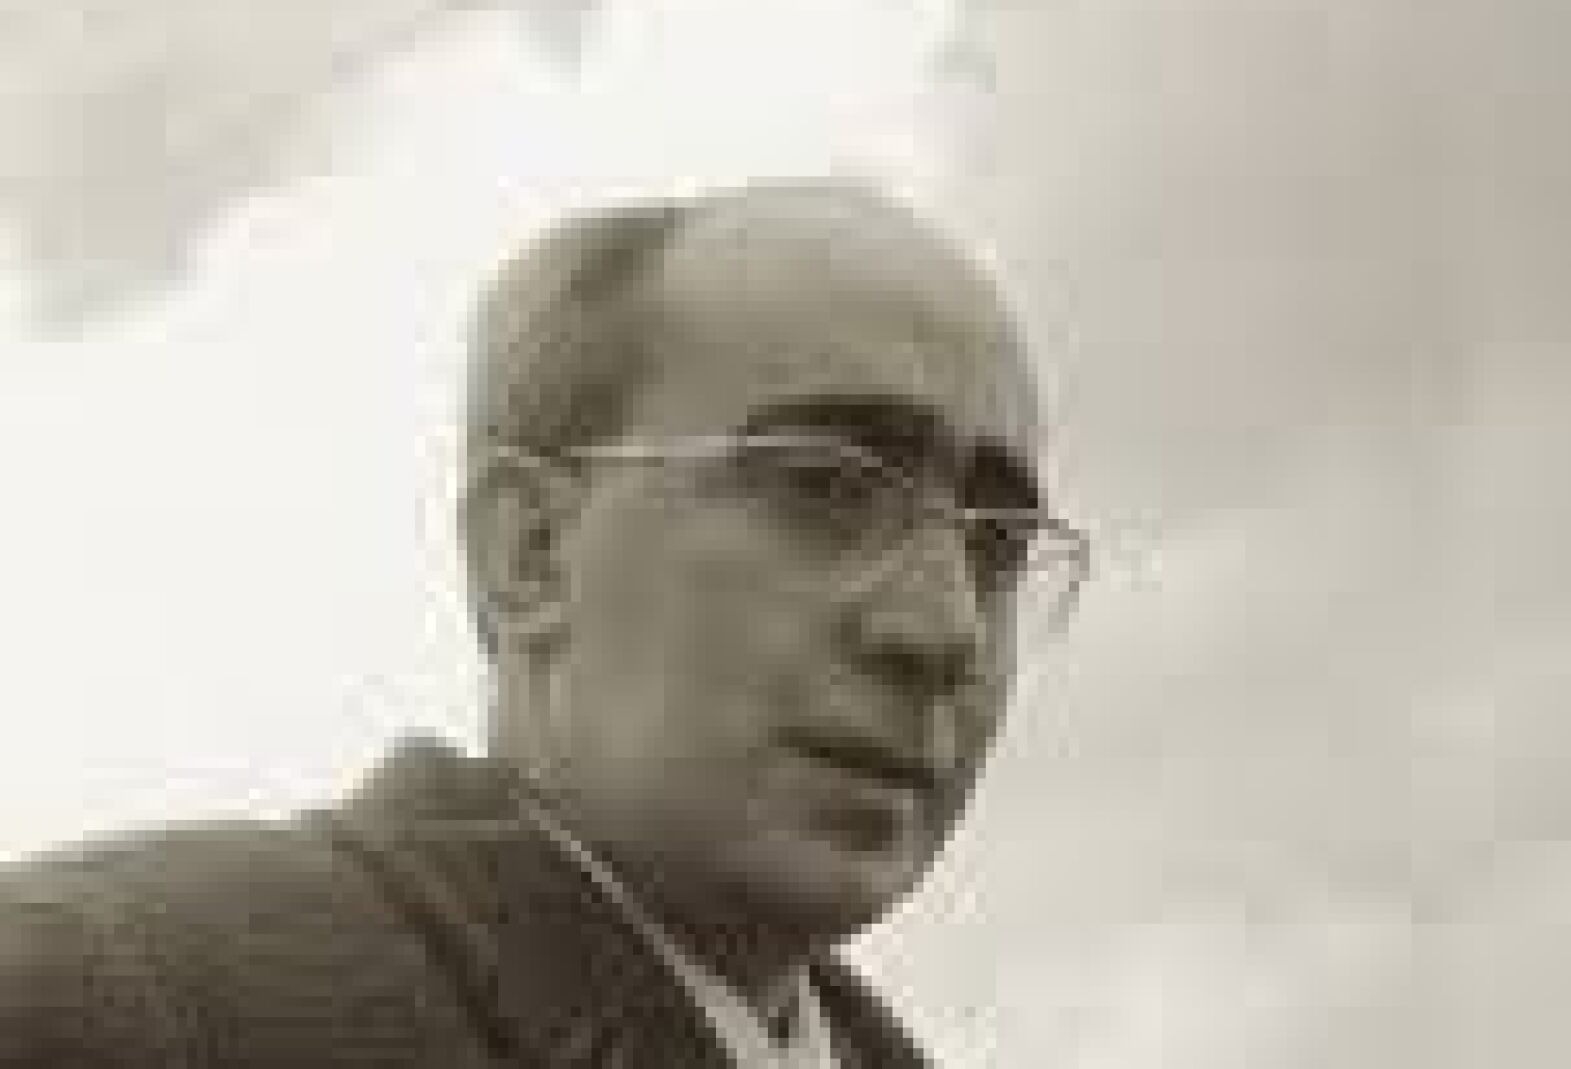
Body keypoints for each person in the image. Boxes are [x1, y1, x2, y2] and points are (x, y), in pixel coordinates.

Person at [0, 180, 1088, 1068]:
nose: (944, 627)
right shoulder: (103, 1006)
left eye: (996, 546)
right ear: (530, 554)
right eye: (825, 486)